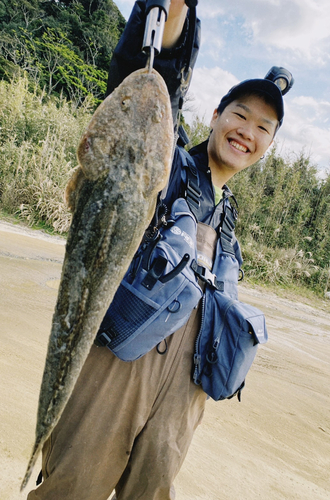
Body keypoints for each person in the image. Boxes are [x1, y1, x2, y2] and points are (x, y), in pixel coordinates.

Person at [27, 1, 291, 499]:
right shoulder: (165, 162)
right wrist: (172, 16)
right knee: (72, 487)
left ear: (268, 145)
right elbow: (150, 79)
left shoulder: (227, 217)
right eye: (239, 115)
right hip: (121, 367)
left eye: (263, 128)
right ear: (214, 117)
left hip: (182, 394)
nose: (247, 132)